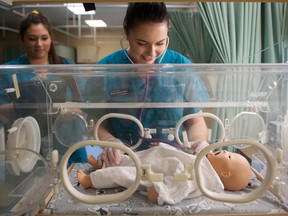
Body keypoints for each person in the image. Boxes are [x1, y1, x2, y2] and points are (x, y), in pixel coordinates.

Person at [83, 2, 210, 167]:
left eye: (160, 43)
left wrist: (199, 144)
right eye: (142, 43)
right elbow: (96, 123)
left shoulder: (180, 67)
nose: (151, 54)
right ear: (127, 34)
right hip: (124, 162)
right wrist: (111, 142)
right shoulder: (106, 70)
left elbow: (195, 121)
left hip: (171, 162)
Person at [0, 10, 87, 164]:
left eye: (44, 38)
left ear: (51, 38)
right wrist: (26, 105)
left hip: (69, 145)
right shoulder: (10, 71)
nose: (39, 44)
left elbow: (85, 105)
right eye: (32, 39)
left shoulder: (66, 68)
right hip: (28, 149)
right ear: (22, 39)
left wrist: (61, 110)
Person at [76, 141, 252, 205]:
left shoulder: (205, 178)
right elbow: (201, 145)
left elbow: (182, 185)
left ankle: (91, 181)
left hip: (153, 174)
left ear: (225, 174)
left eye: (229, 155)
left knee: (123, 174)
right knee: (129, 158)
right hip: (154, 159)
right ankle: (102, 167)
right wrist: (196, 144)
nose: (224, 151)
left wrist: (161, 192)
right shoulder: (206, 160)